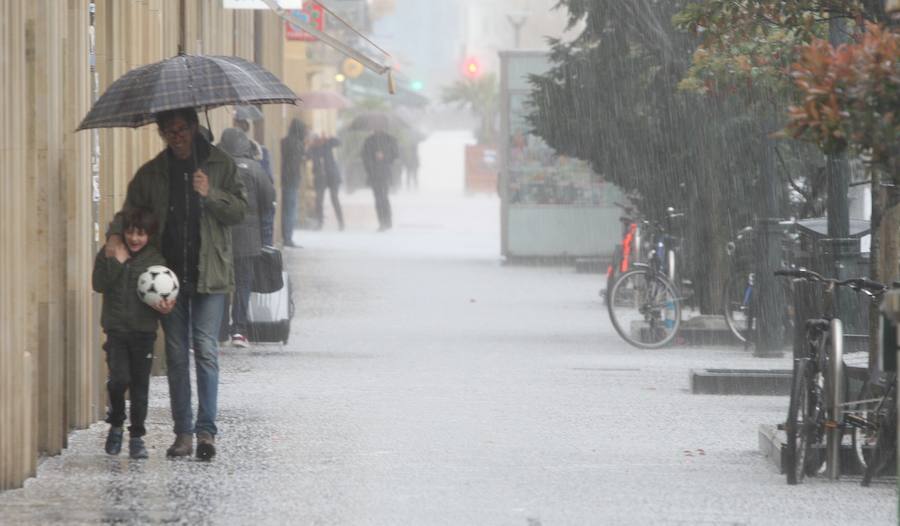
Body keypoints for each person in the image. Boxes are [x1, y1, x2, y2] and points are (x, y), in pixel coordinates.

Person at [105, 107, 247, 460]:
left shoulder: (221, 164)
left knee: (206, 351)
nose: (177, 136)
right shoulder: (152, 172)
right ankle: (183, 433)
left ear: (195, 127)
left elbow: (240, 211)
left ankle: (206, 432)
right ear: (162, 133)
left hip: (210, 274)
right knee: (176, 355)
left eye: (182, 129)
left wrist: (210, 193)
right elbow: (130, 214)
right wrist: (113, 235)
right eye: (169, 131)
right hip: (167, 279)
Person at [92, 207, 168, 459]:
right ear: (123, 232)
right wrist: (116, 262)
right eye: (131, 233)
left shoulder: (156, 260)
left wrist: (165, 306)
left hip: (144, 332)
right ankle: (116, 423)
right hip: (116, 330)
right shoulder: (110, 253)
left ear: (149, 235)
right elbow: (99, 284)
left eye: (141, 234)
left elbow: (165, 293)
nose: (135, 238)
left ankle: (136, 437)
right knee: (119, 379)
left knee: (139, 387)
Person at [218, 127, 275, 347]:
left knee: (222, 283)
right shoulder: (254, 167)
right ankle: (239, 330)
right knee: (243, 282)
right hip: (249, 236)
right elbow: (269, 197)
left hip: (222, 235)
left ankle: (220, 330)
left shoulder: (217, 167)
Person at [362, 129, 399, 231]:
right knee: (378, 199)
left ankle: (388, 221)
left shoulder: (390, 139)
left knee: (384, 197)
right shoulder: (368, 141)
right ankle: (382, 222)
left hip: (384, 173)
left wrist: (384, 156)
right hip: (374, 175)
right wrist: (371, 165)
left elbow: (395, 155)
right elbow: (364, 157)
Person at [309, 134, 345, 230]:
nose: (318, 142)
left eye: (318, 140)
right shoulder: (312, 149)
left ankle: (341, 222)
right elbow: (306, 156)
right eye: (315, 140)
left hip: (332, 176)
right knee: (319, 200)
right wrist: (309, 146)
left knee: (334, 198)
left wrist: (329, 137)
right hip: (320, 177)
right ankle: (319, 223)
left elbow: (339, 143)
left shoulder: (328, 144)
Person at [281, 118, 307, 247]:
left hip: (284, 178)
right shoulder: (298, 144)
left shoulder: (284, 142)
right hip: (293, 179)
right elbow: (300, 161)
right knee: (291, 210)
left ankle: (286, 236)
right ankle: (288, 238)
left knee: (286, 210)